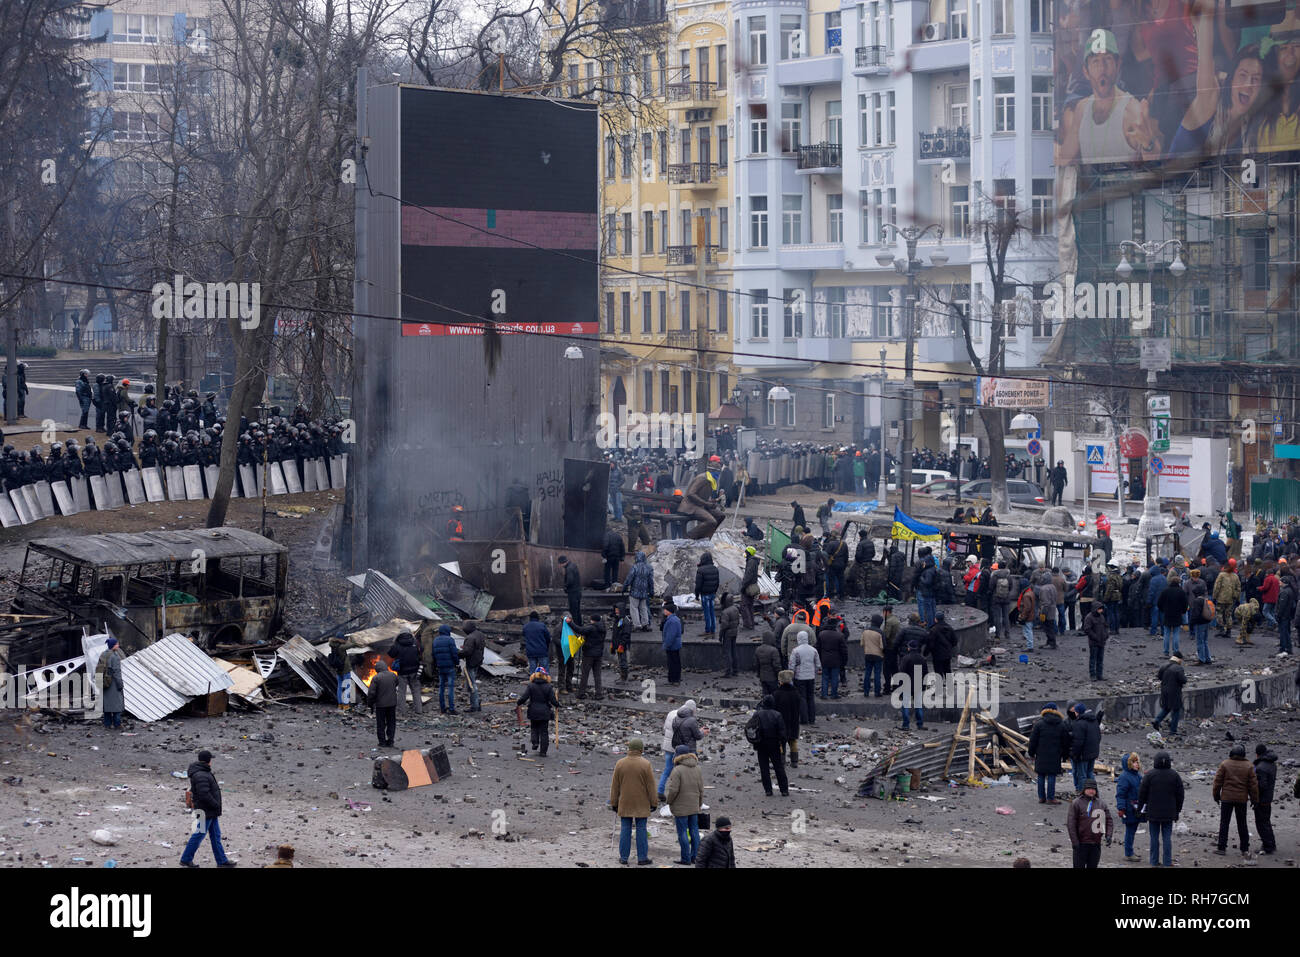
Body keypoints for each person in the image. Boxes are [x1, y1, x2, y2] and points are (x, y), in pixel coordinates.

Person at [179, 749, 236, 867]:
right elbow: (204, 794)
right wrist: (215, 804)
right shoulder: (201, 774)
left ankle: (222, 861)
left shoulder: (202, 772)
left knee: (215, 836)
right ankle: (185, 859)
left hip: (209, 810)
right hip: (206, 810)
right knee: (199, 834)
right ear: (208, 760)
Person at [609, 738, 657, 865]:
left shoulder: (620, 763)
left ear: (629, 749)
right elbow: (651, 786)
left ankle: (624, 858)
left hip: (625, 802)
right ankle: (642, 858)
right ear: (641, 749)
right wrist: (654, 802)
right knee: (641, 829)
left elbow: (615, 786)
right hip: (642, 802)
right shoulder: (645, 764)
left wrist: (614, 802)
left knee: (625, 829)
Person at [1212, 744, 1259, 858]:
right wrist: (1254, 799)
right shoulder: (1249, 766)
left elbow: (1217, 782)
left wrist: (1216, 796)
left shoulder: (1225, 764)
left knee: (1224, 823)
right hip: (1241, 799)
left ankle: (1222, 848)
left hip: (1227, 798)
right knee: (1242, 824)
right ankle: (1244, 849)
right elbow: (1253, 785)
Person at [1139, 750, 1184, 867]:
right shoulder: (1174, 775)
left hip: (1153, 812)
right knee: (1167, 838)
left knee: (1154, 838)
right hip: (1169, 813)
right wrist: (1177, 810)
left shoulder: (1149, 775)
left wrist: (1140, 809)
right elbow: (1180, 795)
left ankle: (1154, 861)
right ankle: (1167, 862)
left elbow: (1142, 794)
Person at [665, 744, 704, 864]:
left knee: (682, 833)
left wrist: (669, 801)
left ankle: (685, 858)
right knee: (694, 832)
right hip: (694, 806)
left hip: (681, 807)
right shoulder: (697, 768)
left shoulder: (677, 770)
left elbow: (673, 790)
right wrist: (699, 804)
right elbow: (701, 789)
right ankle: (696, 857)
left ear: (677, 755)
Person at [1028, 703, 1070, 805]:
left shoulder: (1039, 724)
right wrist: (1065, 756)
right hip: (1055, 754)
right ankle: (1050, 798)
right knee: (1052, 775)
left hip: (1041, 753)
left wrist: (1031, 752)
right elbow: (1066, 742)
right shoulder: (1061, 724)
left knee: (1041, 775)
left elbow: (1033, 740)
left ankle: (1041, 797)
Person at [748, 694, 790, 797]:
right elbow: (782, 732)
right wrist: (782, 743)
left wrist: (754, 742)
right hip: (774, 744)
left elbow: (751, 728)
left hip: (761, 744)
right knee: (779, 767)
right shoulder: (777, 715)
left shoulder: (757, 714)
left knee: (764, 768)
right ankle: (784, 790)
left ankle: (768, 790)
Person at [1067, 778, 1113, 869]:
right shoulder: (1076, 803)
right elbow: (1071, 824)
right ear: (1084, 789)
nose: (1091, 791)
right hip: (1081, 843)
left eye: (1093, 789)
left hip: (1095, 843)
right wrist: (1075, 841)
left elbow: (1109, 820)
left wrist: (1108, 835)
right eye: (1089, 788)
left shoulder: (1101, 804)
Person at [657, 698, 696, 800]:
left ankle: (660, 791)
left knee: (667, 769)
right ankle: (678, 793)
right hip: (677, 747)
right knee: (681, 770)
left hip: (667, 745)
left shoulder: (671, 713)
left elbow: (665, 728)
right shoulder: (685, 718)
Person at [516, 667, 559, 756]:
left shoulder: (531, 685)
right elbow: (552, 700)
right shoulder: (548, 686)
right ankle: (543, 752)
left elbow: (524, 697)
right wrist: (558, 705)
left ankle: (535, 742)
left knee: (534, 728)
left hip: (533, 711)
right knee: (544, 732)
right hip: (544, 712)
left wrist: (519, 702)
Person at [386, 626, 423, 714]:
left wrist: (393, 643)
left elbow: (391, 654)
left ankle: (402, 711)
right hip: (414, 671)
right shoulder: (415, 642)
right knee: (416, 690)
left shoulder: (397, 644)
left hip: (402, 672)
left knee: (402, 691)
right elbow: (421, 651)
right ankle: (419, 710)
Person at [1115, 752, 1144, 862]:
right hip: (1129, 809)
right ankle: (1128, 853)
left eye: (1137, 762)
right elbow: (1120, 795)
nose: (1136, 764)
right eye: (1134, 762)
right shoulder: (1124, 777)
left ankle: (1130, 851)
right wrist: (1121, 808)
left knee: (1132, 830)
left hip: (1136, 808)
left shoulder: (1137, 775)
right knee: (1130, 831)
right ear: (1128, 764)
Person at [1068, 703, 1101, 793]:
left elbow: (1078, 742)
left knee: (1082, 775)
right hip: (1093, 753)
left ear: (1077, 712)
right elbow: (1098, 736)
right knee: (1090, 773)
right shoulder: (1094, 721)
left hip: (1083, 755)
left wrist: (1074, 754)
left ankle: (1082, 793)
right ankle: (1094, 792)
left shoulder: (1079, 723)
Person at [789, 630, 821, 724]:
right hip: (810, 677)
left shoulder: (795, 651)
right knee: (811, 697)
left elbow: (791, 666)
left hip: (799, 677)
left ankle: (804, 719)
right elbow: (818, 664)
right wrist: (813, 673)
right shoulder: (813, 650)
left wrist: (792, 677)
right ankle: (812, 718)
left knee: (802, 698)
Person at [1252, 743, 1278, 855]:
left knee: (1261, 823)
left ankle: (1268, 846)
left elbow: (1261, 786)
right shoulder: (1272, 764)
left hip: (1262, 799)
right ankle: (1271, 844)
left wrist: (1254, 798)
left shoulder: (1261, 767)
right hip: (1268, 797)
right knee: (1266, 822)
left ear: (1257, 754)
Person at [367, 658, 399, 747]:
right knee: (391, 722)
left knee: (381, 723)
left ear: (377, 669)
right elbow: (396, 683)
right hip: (392, 704)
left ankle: (382, 742)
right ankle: (391, 741)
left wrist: (370, 704)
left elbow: (371, 693)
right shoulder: (393, 675)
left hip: (381, 705)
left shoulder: (376, 678)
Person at [774, 670, 802, 769]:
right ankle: (794, 762)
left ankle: (781, 762)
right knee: (793, 741)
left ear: (780, 681)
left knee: (780, 742)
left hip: (781, 722)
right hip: (793, 721)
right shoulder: (795, 693)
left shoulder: (777, 693)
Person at [896, 640, 927, 730]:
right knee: (918, 705)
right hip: (918, 684)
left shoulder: (906, 658)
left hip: (907, 685)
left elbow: (902, 673)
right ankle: (920, 724)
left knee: (905, 705)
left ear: (909, 648)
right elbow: (925, 673)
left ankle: (906, 725)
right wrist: (923, 686)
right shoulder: (922, 659)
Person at [1151, 656, 1186, 735]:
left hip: (1164, 690)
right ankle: (1173, 731)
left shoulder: (1164, 666)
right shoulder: (1178, 668)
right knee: (1176, 710)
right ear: (1179, 659)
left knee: (1167, 707)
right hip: (1174, 692)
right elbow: (1183, 680)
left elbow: (1159, 677)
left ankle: (1157, 720)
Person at [96, 637, 125, 729]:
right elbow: (117, 672)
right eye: (117, 644)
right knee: (117, 705)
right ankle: (117, 724)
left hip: (104, 682)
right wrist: (120, 685)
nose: (118, 645)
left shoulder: (103, 654)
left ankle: (107, 724)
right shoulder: (115, 657)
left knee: (107, 706)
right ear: (113, 645)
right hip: (113, 683)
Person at [1156, 576, 1188, 658]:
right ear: (1178, 583)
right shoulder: (1181, 591)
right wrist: (1183, 611)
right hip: (1177, 614)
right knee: (1176, 633)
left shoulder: (1165, 591)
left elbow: (1159, 602)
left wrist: (1163, 609)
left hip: (1167, 614)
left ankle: (1166, 651)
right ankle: (1176, 651)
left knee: (1166, 633)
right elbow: (1185, 604)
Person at [431, 624, 460, 714]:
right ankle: (451, 709)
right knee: (450, 688)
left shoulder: (435, 640)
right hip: (450, 667)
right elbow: (454, 653)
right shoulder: (450, 640)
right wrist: (457, 663)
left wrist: (436, 664)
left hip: (440, 667)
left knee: (441, 688)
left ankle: (442, 708)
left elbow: (433, 654)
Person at [623, 551, 655, 631]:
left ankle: (637, 625)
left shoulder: (635, 567)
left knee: (634, 608)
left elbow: (629, 579)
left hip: (634, 591)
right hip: (644, 592)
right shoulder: (649, 567)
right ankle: (645, 624)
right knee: (643, 608)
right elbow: (651, 581)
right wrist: (651, 591)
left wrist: (624, 587)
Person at [577, 615, 605, 699]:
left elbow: (580, 630)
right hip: (599, 655)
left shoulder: (591, 628)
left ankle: (581, 693)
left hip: (589, 655)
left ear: (593, 620)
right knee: (597, 675)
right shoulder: (603, 628)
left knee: (585, 674)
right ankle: (598, 694)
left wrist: (570, 622)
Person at [694, 552, 720, 636]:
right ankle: (713, 629)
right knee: (712, 612)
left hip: (705, 595)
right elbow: (717, 583)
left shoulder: (700, 570)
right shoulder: (715, 569)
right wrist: (714, 592)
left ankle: (707, 630)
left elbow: (698, 585)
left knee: (707, 613)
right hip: (712, 594)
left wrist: (697, 595)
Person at [716, 591, 741, 677]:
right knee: (734, 651)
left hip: (727, 633)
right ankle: (735, 670)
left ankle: (728, 672)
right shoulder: (735, 609)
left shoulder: (725, 612)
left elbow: (724, 626)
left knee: (727, 653)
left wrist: (720, 636)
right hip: (734, 632)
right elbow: (738, 622)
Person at [924, 612, 956, 679]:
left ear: (935, 619)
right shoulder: (949, 628)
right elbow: (955, 641)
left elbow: (930, 643)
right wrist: (949, 647)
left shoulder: (933, 630)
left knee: (938, 671)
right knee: (947, 669)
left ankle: (940, 686)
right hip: (947, 653)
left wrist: (925, 653)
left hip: (937, 654)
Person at [861, 613, 885, 697]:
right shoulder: (880, 632)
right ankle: (877, 692)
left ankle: (866, 692)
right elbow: (883, 646)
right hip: (878, 655)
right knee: (877, 674)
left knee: (867, 673)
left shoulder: (865, 631)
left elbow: (862, 643)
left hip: (867, 654)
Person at [1083, 602, 1108, 681]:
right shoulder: (1089, 617)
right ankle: (1093, 675)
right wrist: (1095, 637)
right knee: (1093, 659)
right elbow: (1087, 629)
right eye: (1100, 609)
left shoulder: (1101, 617)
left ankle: (1099, 675)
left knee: (1100, 659)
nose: (1101, 610)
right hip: (1094, 642)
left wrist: (1106, 635)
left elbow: (1105, 626)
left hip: (1101, 641)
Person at [739, 545, 760, 630]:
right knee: (750, 605)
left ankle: (748, 625)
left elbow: (748, 575)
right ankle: (751, 623)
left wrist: (743, 586)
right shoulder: (754, 561)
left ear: (748, 553)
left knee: (744, 606)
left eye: (746, 552)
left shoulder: (751, 562)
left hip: (748, 587)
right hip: (752, 586)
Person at [523, 611, 550, 675]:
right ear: (538, 617)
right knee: (544, 671)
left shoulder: (525, 627)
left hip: (530, 651)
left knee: (532, 671)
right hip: (542, 651)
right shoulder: (542, 626)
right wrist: (546, 647)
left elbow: (524, 637)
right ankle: (545, 683)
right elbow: (548, 638)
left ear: (530, 618)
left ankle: (533, 684)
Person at [661, 602, 682, 684]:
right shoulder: (674, 619)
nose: (663, 611)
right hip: (675, 645)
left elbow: (671, 635)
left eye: (665, 610)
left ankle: (674, 679)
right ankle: (675, 679)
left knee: (672, 663)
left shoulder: (672, 621)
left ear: (669, 611)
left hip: (672, 645)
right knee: (675, 662)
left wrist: (666, 645)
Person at [558, 555, 582, 626]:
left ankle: (575, 626)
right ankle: (579, 624)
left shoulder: (569, 568)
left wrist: (565, 587)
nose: (561, 565)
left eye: (560, 564)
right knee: (577, 610)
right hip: (577, 591)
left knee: (573, 610)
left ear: (563, 562)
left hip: (573, 592)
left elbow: (570, 580)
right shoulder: (573, 565)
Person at [611, 605, 632, 682]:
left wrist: (622, 645)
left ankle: (624, 678)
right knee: (621, 660)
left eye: (617, 610)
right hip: (618, 643)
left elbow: (626, 635)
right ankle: (622, 676)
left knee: (623, 661)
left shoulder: (625, 621)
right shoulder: (619, 619)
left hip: (622, 644)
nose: (616, 611)